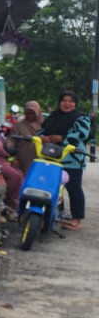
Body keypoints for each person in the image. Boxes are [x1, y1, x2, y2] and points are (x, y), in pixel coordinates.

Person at [39, 90, 91, 231]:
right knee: (51, 187)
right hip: (50, 156)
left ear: (75, 103)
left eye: (71, 101)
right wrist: (42, 138)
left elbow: (81, 134)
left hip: (72, 159)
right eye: (64, 101)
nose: (67, 104)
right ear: (59, 102)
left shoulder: (82, 117)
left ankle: (76, 220)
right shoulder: (53, 116)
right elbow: (41, 131)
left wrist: (61, 138)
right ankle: (51, 216)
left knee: (73, 188)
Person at [9, 101, 43, 174]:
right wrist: (13, 155)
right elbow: (11, 140)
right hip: (23, 159)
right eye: (28, 113)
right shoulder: (19, 126)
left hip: (40, 158)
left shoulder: (44, 125)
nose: (30, 115)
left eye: (32, 113)